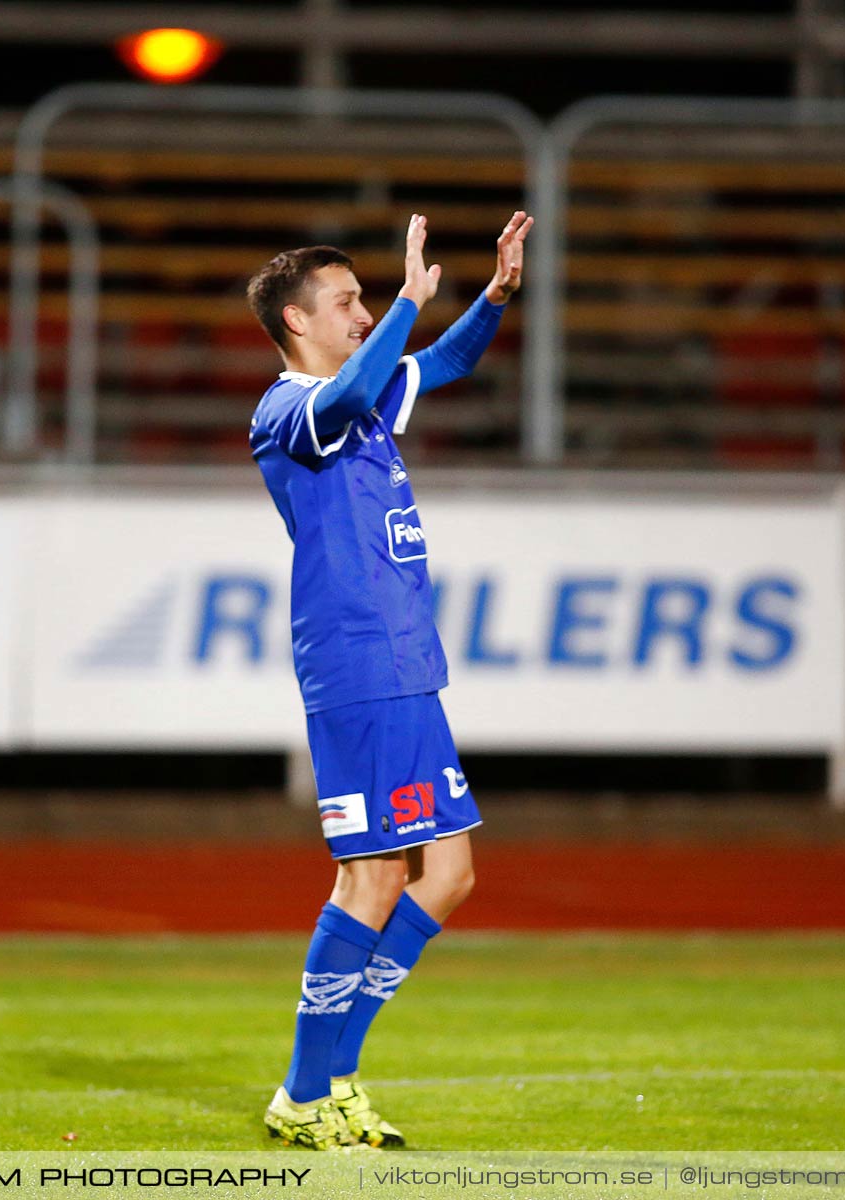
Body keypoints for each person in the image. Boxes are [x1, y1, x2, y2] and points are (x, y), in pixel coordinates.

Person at [244, 211, 532, 1148]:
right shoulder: (289, 409)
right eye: (346, 301)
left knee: (447, 875)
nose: (363, 313)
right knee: (369, 881)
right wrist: (410, 299)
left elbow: (437, 367)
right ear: (296, 323)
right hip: (358, 664)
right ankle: (304, 1090)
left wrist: (491, 298)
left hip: (407, 661)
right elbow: (349, 396)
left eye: (367, 298)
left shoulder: (362, 396)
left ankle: (334, 1076)